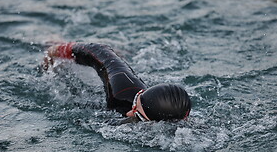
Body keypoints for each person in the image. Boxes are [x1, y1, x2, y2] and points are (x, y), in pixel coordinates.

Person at [42, 42, 191, 122]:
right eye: (135, 103)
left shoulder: (186, 132)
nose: (129, 112)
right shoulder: (122, 89)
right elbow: (99, 52)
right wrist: (58, 50)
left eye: (138, 115)